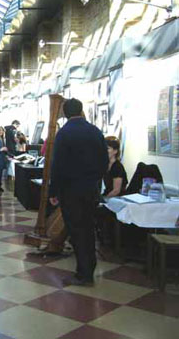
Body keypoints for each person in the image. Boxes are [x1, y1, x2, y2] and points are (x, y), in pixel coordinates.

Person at [49, 99, 108, 286]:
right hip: (90, 188)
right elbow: (104, 160)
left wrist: (54, 190)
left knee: (76, 231)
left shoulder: (64, 133)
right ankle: (89, 268)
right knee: (89, 228)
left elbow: (57, 165)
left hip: (71, 190)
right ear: (81, 110)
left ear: (65, 113)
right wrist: (94, 179)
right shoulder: (95, 131)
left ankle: (83, 274)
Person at [96, 136, 128, 245]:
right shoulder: (105, 164)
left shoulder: (117, 167)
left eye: (107, 149)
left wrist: (103, 200)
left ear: (115, 151)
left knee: (95, 211)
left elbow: (116, 190)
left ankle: (106, 239)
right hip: (110, 196)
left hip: (118, 199)